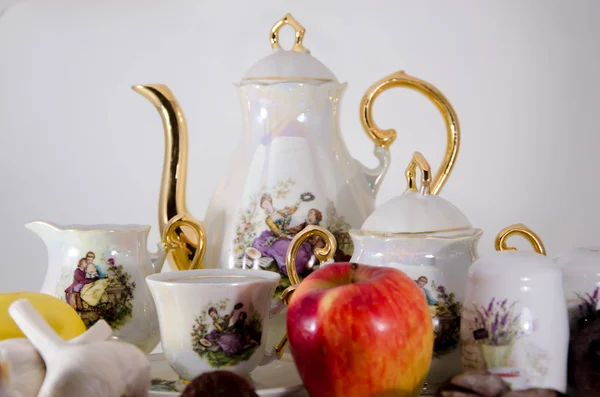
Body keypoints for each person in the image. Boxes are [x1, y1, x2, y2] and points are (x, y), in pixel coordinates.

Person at [251, 193, 312, 276]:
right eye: (263, 206)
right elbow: (277, 231)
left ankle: (304, 267)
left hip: (289, 234)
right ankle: (292, 270)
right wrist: (287, 236)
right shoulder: (268, 220)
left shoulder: (280, 212)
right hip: (279, 238)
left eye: (266, 204)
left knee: (299, 248)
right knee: (286, 249)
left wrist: (299, 200)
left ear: (270, 202)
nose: (265, 207)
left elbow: (291, 210)